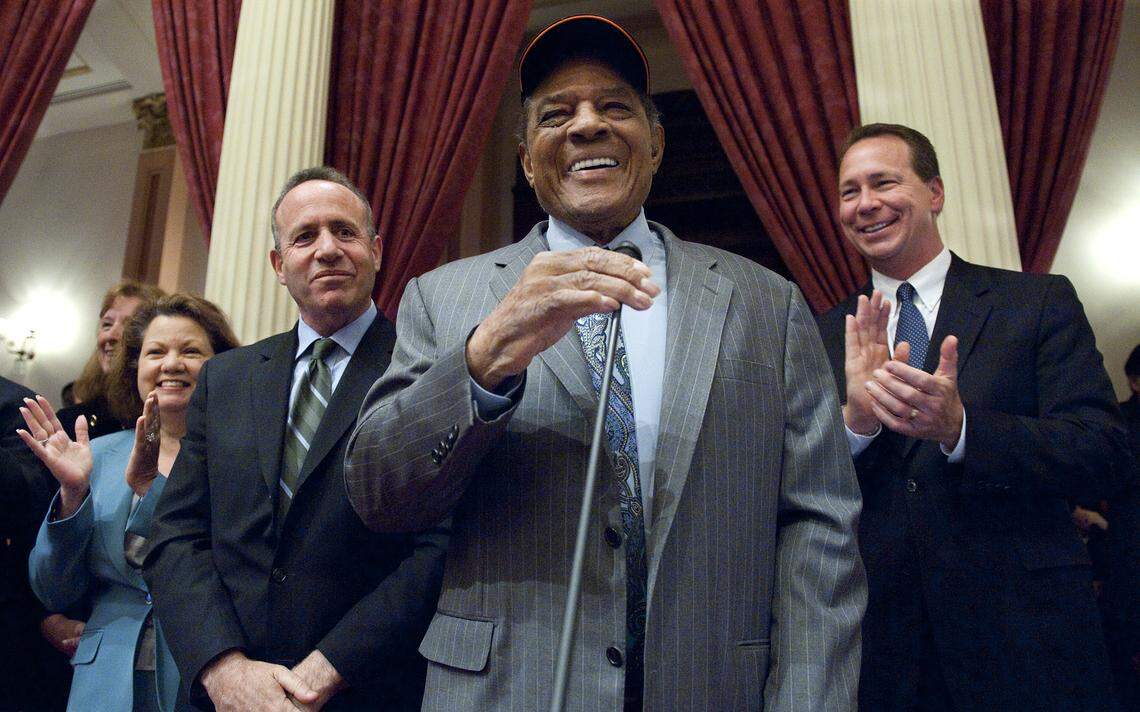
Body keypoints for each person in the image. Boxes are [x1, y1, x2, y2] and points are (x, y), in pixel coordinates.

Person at [344, 15, 865, 711]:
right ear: (527, 159)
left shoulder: (767, 304)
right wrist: (484, 356)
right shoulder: (443, 298)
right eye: (557, 114)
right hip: (508, 691)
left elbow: (819, 527)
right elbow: (381, 493)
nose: (587, 126)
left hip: (712, 688)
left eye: (614, 107)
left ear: (654, 144)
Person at [815, 122, 1131, 710]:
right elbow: (802, 497)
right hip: (888, 653)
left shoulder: (1035, 303)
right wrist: (856, 426)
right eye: (849, 191)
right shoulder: (819, 333)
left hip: (1028, 641)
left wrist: (964, 430)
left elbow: (1104, 454)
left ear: (934, 192)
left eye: (884, 182)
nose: (865, 204)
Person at [143, 167, 449, 711]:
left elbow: (440, 546)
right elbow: (176, 534)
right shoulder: (226, 378)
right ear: (279, 265)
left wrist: (325, 670)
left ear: (376, 250)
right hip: (229, 698)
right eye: (305, 236)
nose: (327, 249)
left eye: (345, 232)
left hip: (367, 690)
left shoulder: (428, 372)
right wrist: (224, 668)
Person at [21, 293, 240, 711]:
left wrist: (150, 489)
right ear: (135, 368)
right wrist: (72, 496)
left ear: (223, 365)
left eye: (190, 351)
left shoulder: (244, 458)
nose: (171, 364)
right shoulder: (96, 456)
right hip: (103, 681)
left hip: (204, 673)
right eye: (155, 352)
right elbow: (52, 590)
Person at [60, 280, 165, 441]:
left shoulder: (169, 422)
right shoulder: (71, 422)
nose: (110, 336)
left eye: (129, 325)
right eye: (107, 324)